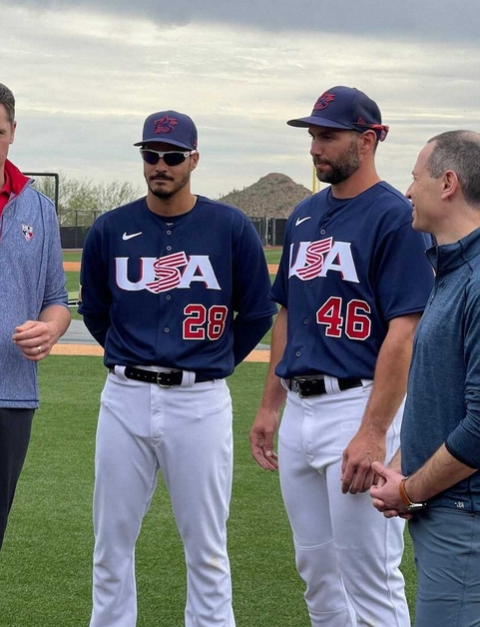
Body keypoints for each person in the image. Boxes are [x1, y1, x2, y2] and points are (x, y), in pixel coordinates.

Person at [78, 109, 276, 627]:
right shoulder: (110, 227)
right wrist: (129, 351)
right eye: (150, 155)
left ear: (194, 158)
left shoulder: (229, 226)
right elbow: (97, 311)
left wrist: (212, 362)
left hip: (200, 401)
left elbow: (257, 311)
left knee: (208, 549)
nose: (159, 165)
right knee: (110, 544)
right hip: (124, 396)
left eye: (171, 155)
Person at [249, 86, 435, 626]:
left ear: (370, 139)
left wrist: (374, 430)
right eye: (313, 135)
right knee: (317, 575)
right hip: (301, 411)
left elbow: (405, 331)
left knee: (371, 577)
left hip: (359, 406)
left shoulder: (396, 217)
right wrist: (269, 406)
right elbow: (288, 314)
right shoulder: (305, 215)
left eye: (328, 135)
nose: (315, 147)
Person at [0, 77, 70, 627]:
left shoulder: (41, 210)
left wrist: (51, 330)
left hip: (14, 399)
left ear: (12, 133)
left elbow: (57, 301)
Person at [371, 130, 480, 627]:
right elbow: (440, 393)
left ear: (448, 183)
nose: (409, 191)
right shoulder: (452, 268)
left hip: (464, 518)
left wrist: (411, 489)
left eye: (416, 178)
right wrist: (401, 465)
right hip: (448, 513)